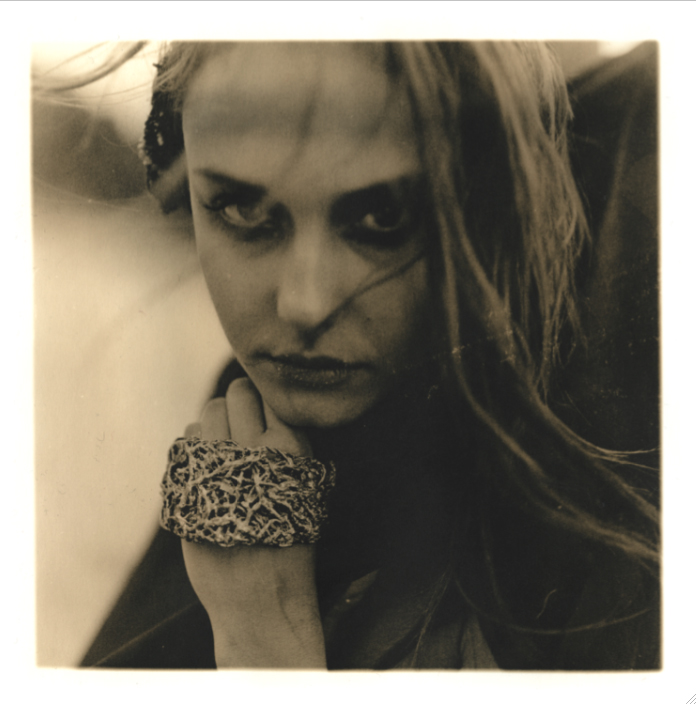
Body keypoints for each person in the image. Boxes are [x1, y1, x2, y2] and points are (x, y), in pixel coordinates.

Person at [69, 41, 658, 669]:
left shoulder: (605, 558)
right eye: (242, 209)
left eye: (382, 219)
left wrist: (264, 643)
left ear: (492, 210)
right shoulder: (241, 434)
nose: (304, 304)